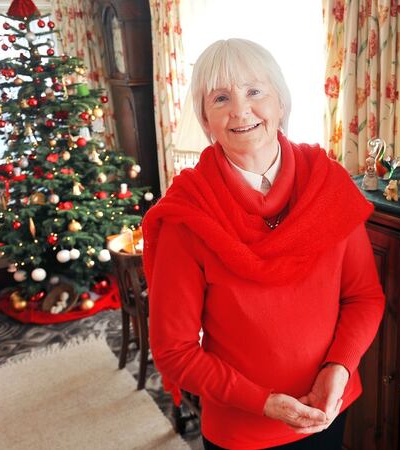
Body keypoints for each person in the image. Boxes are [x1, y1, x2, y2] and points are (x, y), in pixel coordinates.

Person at [142, 39, 385, 450]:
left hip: (330, 406)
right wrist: (264, 403)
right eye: (221, 97)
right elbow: (175, 351)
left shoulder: (329, 185)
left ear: (280, 103)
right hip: (242, 429)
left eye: (255, 91)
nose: (240, 110)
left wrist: (339, 368)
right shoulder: (187, 215)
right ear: (205, 118)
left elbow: (364, 297)